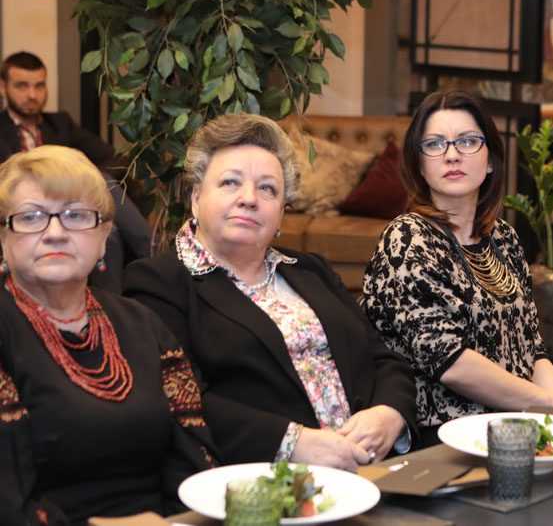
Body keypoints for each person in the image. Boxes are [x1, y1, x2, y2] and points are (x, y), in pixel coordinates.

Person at [124, 114, 416, 469]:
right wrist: (290, 443)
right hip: (264, 479)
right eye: (230, 182)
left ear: (281, 213)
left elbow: (383, 358)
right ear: (197, 198)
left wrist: (390, 413)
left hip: (376, 469)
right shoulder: (159, 282)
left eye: (267, 189)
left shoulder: (311, 270)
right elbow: (176, 398)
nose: (249, 198)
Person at [0, 145, 214, 526]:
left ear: (103, 239)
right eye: (31, 217)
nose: (55, 233)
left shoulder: (144, 324)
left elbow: (194, 456)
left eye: (76, 216)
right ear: (3, 239)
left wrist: (177, 522)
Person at [361, 90, 553, 445]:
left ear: (490, 160)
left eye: (467, 141)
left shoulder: (504, 238)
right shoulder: (407, 239)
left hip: (515, 424)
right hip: (440, 436)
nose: (452, 154)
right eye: (435, 144)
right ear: (419, 165)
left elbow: (533, 348)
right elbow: (449, 361)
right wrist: (545, 402)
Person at [0, 52, 150, 292]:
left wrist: (82, 178)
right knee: (107, 219)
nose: (32, 94)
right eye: (22, 86)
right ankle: (149, 255)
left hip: (71, 204)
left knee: (106, 209)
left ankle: (116, 297)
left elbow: (109, 156)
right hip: (24, 208)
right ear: (3, 87)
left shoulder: (59, 124)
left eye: (39, 85)